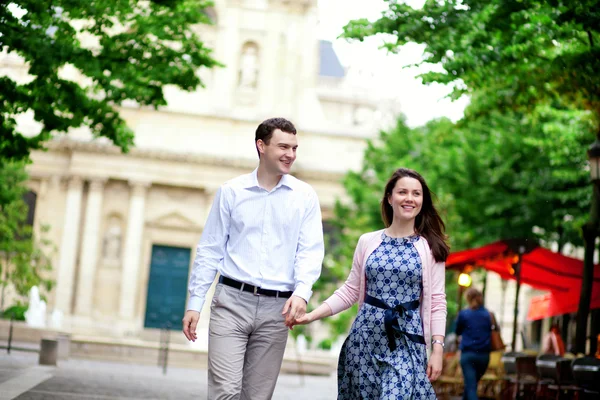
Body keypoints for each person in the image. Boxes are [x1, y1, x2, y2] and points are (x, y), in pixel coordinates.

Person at [182, 117, 325, 400]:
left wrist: (302, 292)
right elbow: (210, 250)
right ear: (262, 146)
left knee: (256, 397)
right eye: (283, 146)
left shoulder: (305, 196)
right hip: (231, 302)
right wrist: (195, 303)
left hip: (277, 310)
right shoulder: (231, 192)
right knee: (225, 392)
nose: (291, 154)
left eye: (295, 148)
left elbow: (310, 251)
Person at [294, 168, 448, 399]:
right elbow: (350, 291)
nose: (409, 198)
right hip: (364, 340)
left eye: (416, 194)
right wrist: (312, 315)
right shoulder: (368, 241)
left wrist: (437, 349)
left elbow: (437, 302)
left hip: (406, 342)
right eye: (402, 192)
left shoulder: (429, 248)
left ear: (422, 201)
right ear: (389, 197)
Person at [455, 287, 492, 400]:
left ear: (467, 298)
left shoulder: (464, 314)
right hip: (484, 356)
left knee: (471, 387)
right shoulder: (488, 315)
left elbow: (457, 331)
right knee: (471, 385)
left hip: (468, 355)